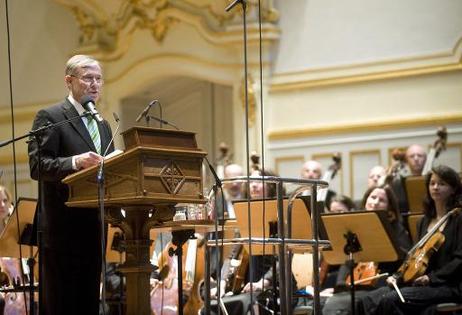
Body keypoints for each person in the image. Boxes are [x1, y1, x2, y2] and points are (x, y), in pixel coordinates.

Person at [28, 55, 114, 315]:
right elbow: (38, 166)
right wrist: (76, 161)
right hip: (61, 229)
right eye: (88, 78)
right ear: (69, 81)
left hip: (94, 227)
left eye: (99, 79)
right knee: (61, 305)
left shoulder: (103, 124)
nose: (95, 84)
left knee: (88, 303)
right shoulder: (51, 116)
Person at [358, 165, 462, 315]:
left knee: (390, 300)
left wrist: (431, 278)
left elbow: (460, 259)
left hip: (449, 285)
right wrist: (398, 277)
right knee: (367, 299)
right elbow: (415, 257)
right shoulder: (423, 221)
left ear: (453, 189)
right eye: (432, 183)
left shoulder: (458, 219)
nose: (435, 187)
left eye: (442, 183)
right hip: (423, 284)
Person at [322, 186, 411, 315]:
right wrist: (340, 285)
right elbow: (347, 258)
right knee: (330, 303)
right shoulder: (356, 225)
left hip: (382, 284)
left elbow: (405, 257)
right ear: (365, 201)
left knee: (352, 304)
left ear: (389, 207)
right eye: (373, 197)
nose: (375, 202)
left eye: (381, 200)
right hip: (356, 284)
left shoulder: (396, 228)